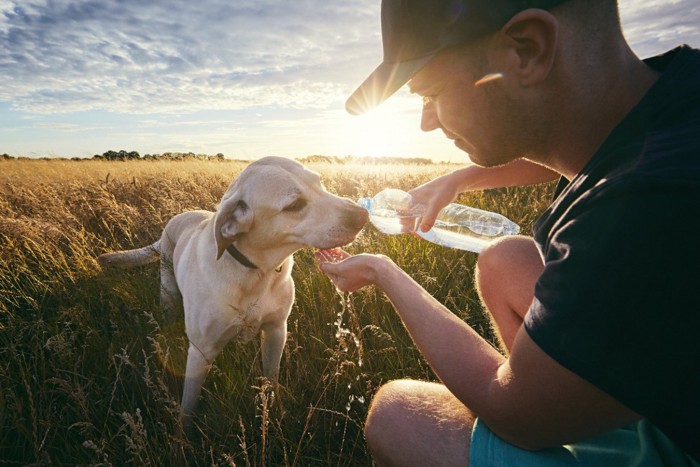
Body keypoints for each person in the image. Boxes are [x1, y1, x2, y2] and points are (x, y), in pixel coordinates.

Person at [315, 0, 700, 465]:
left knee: (397, 414)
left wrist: (385, 273)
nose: (427, 121)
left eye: (429, 93)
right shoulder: (673, 98)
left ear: (527, 49)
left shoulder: (647, 207)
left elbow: (518, 416)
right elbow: (577, 140)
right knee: (504, 258)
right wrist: (459, 179)